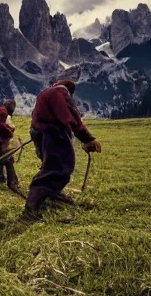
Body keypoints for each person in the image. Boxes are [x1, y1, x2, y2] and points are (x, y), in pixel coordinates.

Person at [23, 80, 102, 222]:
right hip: (53, 133)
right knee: (59, 168)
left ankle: (52, 194)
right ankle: (30, 211)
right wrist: (88, 138)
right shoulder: (61, 92)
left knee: (49, 165)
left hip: (39, 133)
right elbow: (72, 117)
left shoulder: (45, 93)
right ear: (69, 91)